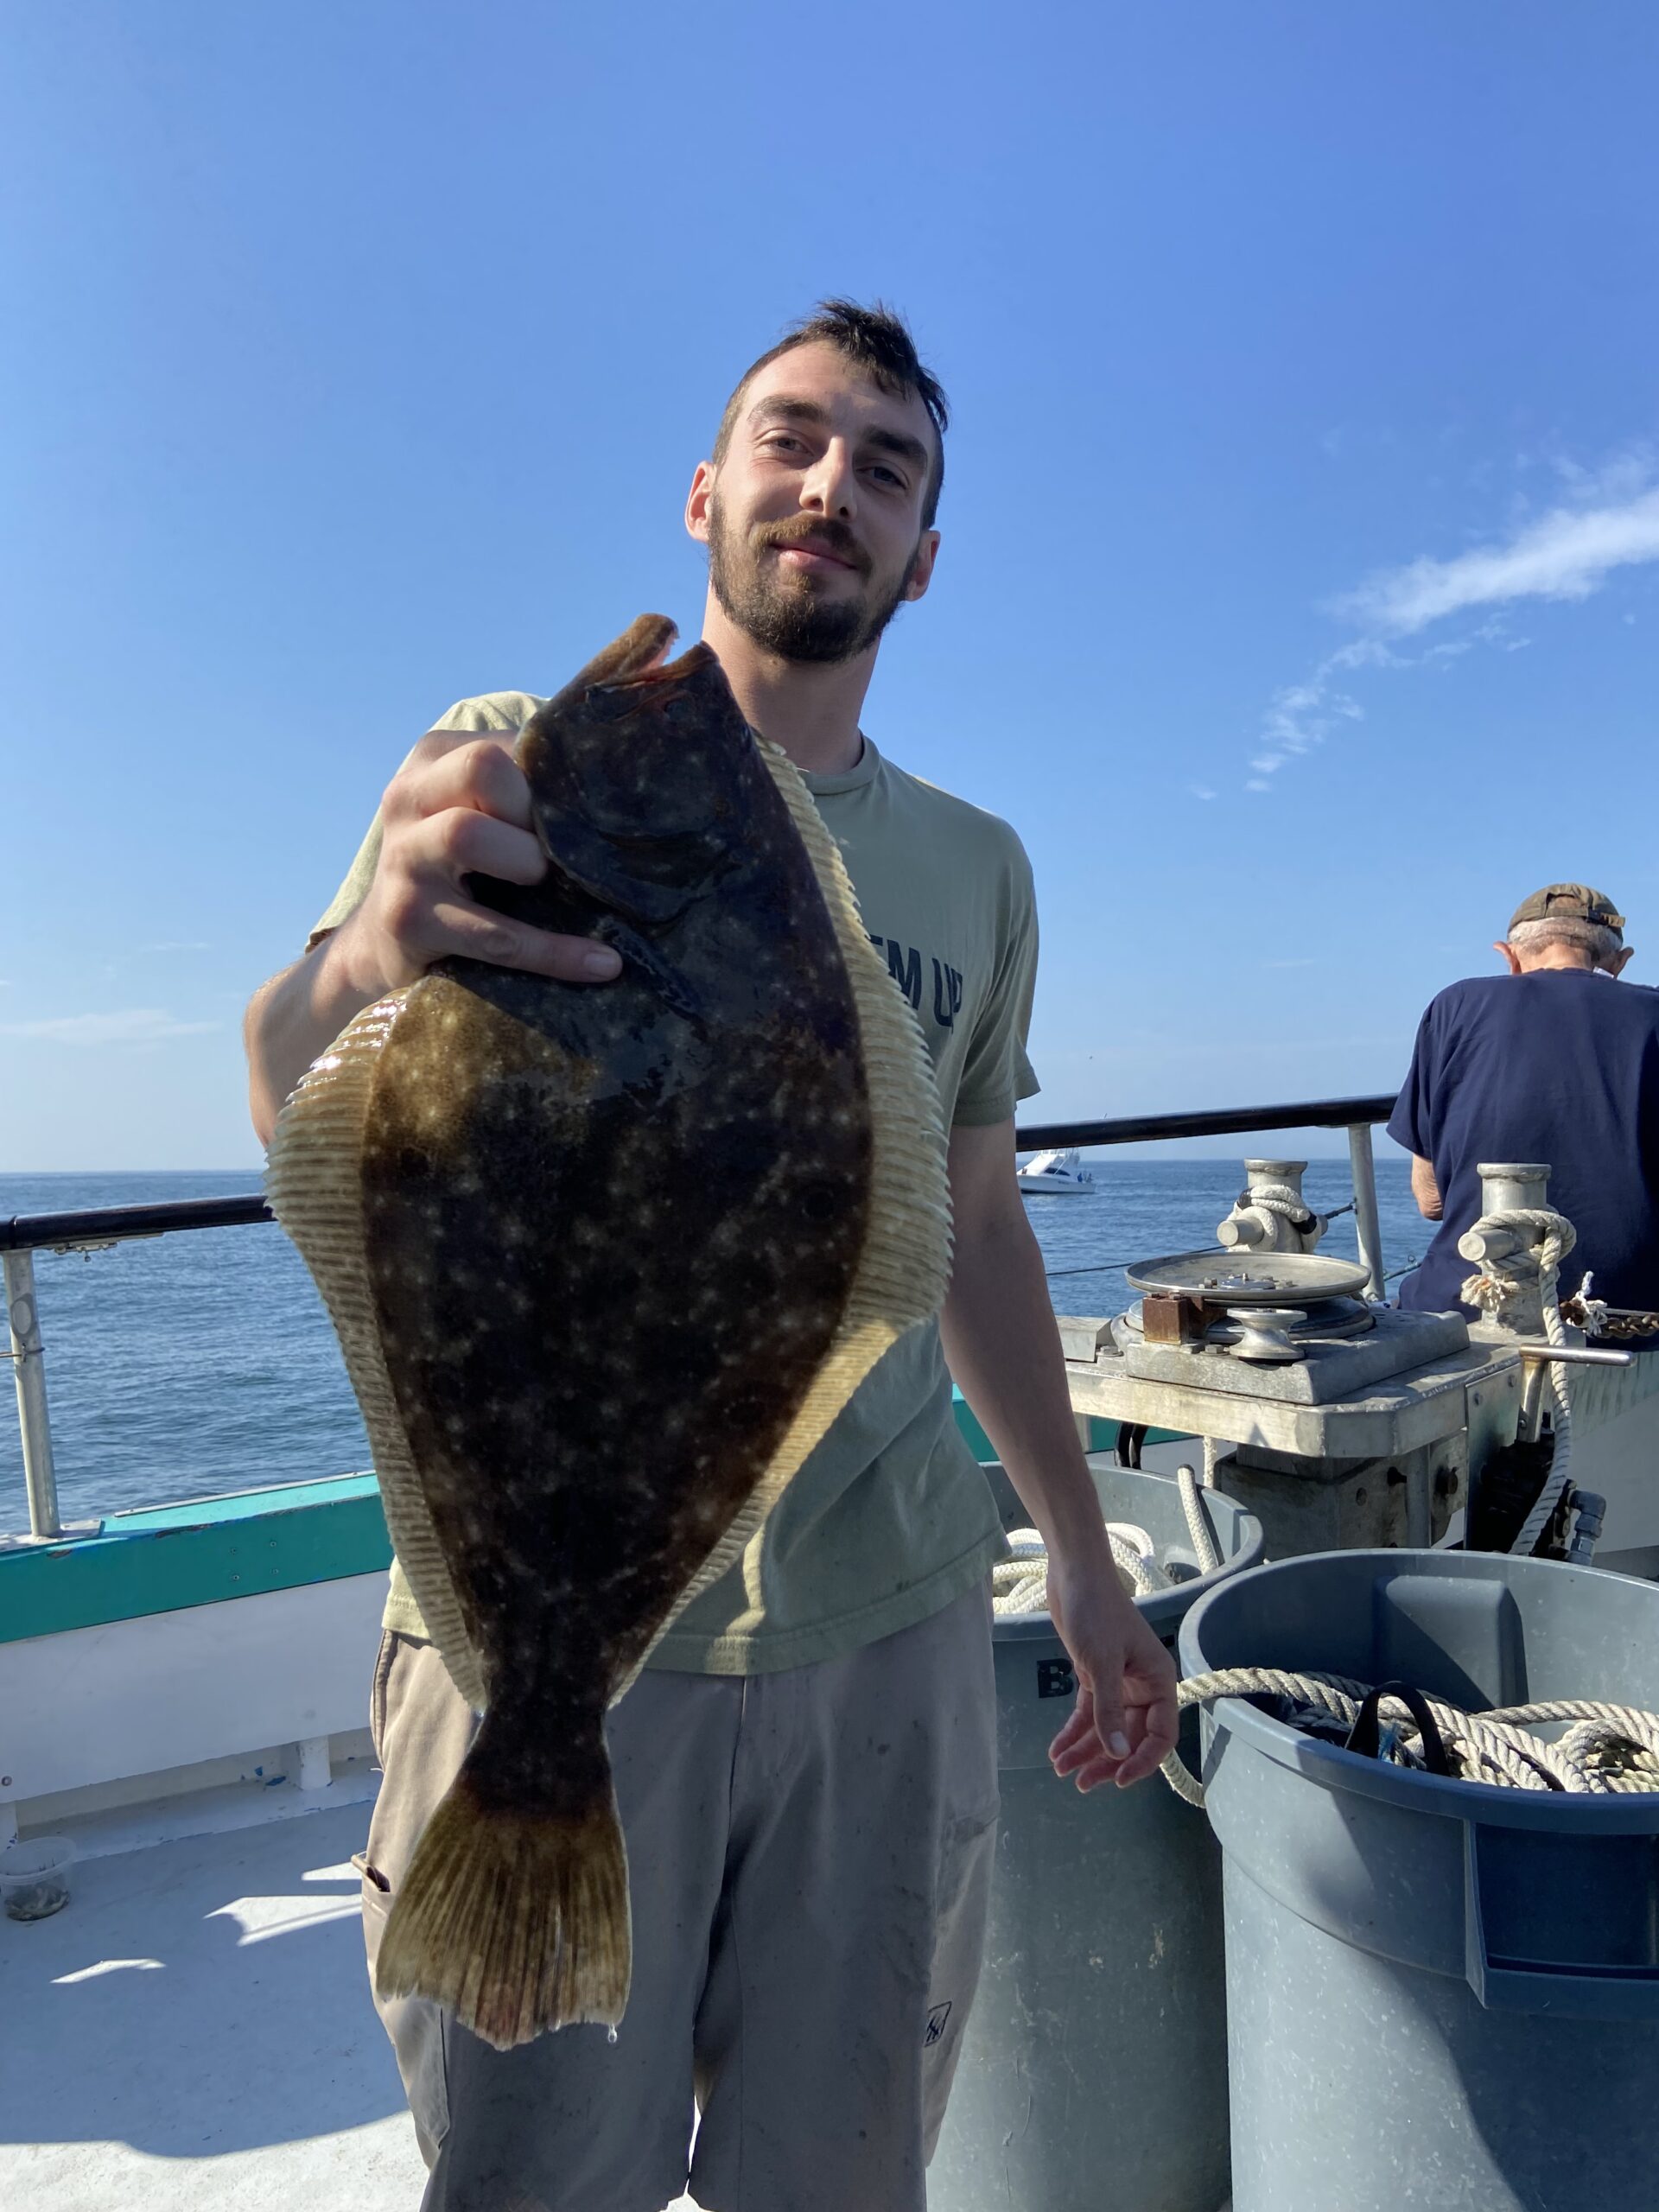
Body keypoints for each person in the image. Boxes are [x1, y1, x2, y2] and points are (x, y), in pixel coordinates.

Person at [243, 300, 1177, 2212]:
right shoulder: (503, 773)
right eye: (792, 436)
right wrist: (360, 964)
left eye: (887, 466)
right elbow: (292, 1098)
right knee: (525, 2180)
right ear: (706, 491)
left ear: (926, 553)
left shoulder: (980, 865)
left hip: (890, 1611)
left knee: (842, 2178)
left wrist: (1085, 1564)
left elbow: (977, 1227)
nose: (832, 484)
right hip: (540, 1636)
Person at [1389, 883, 1659, 1319]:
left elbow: (1430, 1200)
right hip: (1632, 1312)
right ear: (1620, 963)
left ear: (1508, 956)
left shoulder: (1456, 1005)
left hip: (1471, 1303)